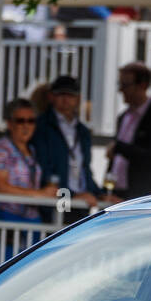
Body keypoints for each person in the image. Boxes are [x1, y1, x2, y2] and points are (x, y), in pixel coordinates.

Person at [0, 97, 59, 264]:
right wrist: (39, 194)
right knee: (5, 271)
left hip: (31, 220)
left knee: (31, 269)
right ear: (9, 124)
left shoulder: (32, 150)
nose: (26, 125)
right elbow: (0, 186)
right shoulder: (1, 148)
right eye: (20, 121)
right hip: (6, 218)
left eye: (31, 121)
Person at [31, 75, 100, 220]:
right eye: (61, 94)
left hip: (81, 203)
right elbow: (43, 170)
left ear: (78, 98)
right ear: (51, 96)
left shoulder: (82, 131)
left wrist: (101, 194)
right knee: (57, 237)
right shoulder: (41, 126)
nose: (65, 99)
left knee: (77, 239)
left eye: (70, 95)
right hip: (56, 201)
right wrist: (72, 195)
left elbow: (85, 169)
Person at [106, 62, 151, 199]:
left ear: (142, 85)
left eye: (125, 85)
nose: (121, 90)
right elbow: (116, 160)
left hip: (142, 194)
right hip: (117, 192)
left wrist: (119, 147)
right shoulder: (124, 117)